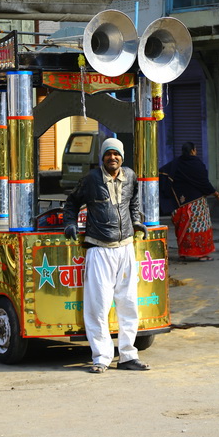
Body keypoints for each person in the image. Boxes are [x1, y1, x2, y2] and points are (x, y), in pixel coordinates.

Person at [63, 137, 150, 374]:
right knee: (98, 306)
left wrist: (136, 221)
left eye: (116, 154)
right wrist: (69, 223)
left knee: (129, 303)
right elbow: (71, 202)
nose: (113, 158)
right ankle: (101, 357)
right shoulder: (91, 179)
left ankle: (128, 356)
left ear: (122, 157)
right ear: (101, 158)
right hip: (99, 249)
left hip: (125, 248)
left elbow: (133, 202)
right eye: (108, 154)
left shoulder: (130, 176)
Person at [159, 142, 219, 262]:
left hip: (180, 203)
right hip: (196, 204)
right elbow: (204, 182)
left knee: (183, 228)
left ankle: (183, 253)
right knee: (199, 228)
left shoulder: (176, 163)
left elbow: (162, 172)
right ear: (193, 151)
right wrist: (216, 194)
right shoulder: (196, 164)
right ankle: (201, 254)